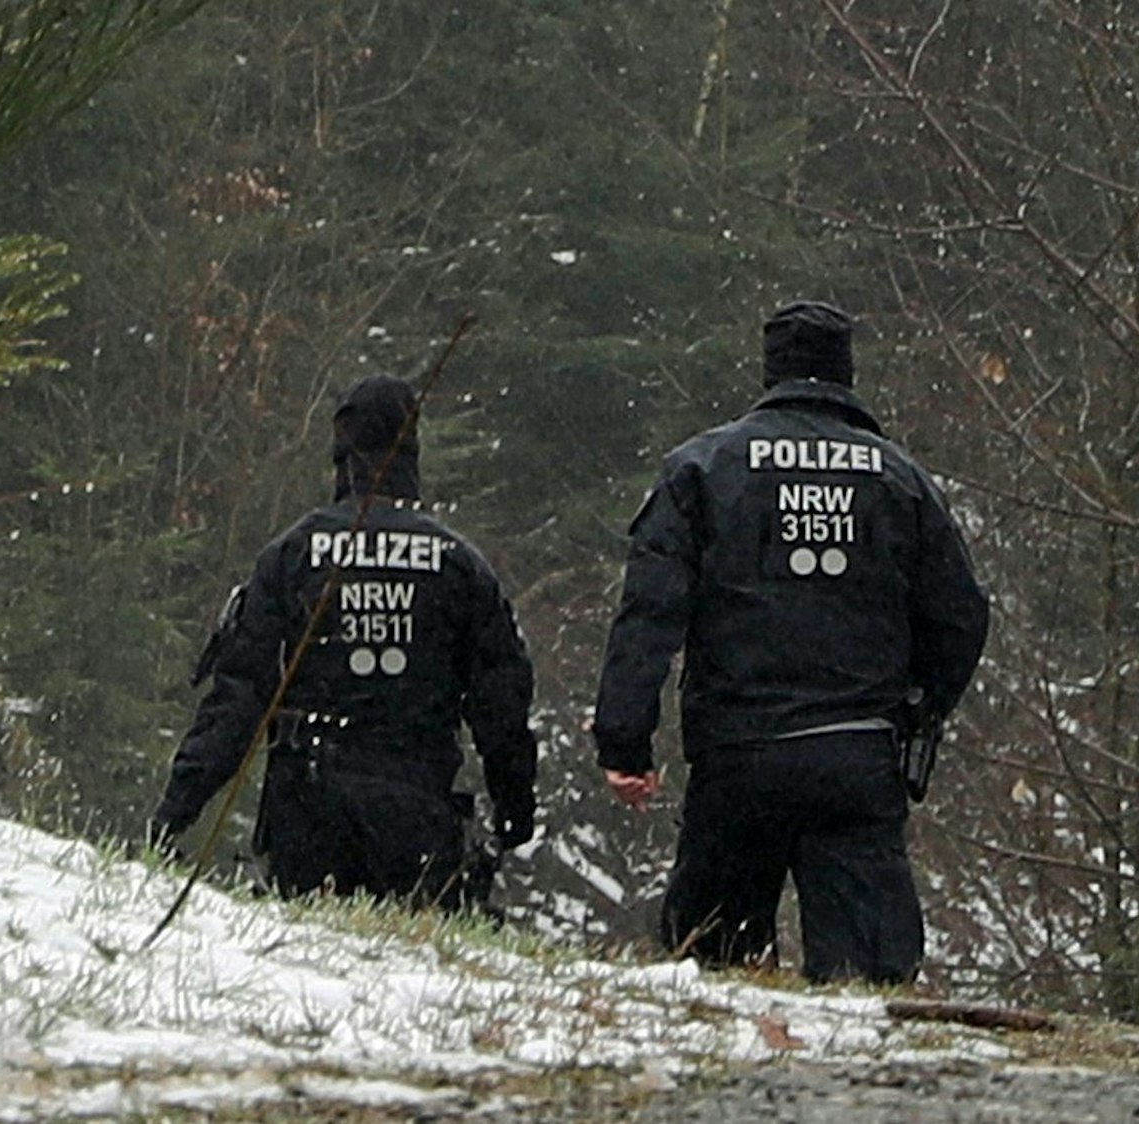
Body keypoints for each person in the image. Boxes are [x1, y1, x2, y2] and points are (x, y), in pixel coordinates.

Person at [592, 300, 988, 984]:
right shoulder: (900, 480)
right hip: (857, 753)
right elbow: (961, 617)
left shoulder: (704, 469)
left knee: (713, 976)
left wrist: (625, 740)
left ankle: (734, 1083)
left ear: (771, 369)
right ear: (845, 372)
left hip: (738, 758)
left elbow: (649, 613)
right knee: (869, 985)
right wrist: (918, 708)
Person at [150, 374, 539, 910]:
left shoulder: (294, 553)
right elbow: (502, 701)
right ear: (411, 452)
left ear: (341, 451)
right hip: (416, 806)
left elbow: (239, 695)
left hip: (308, 805)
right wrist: (516, 805)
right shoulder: (458, 565)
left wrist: (177, 808)